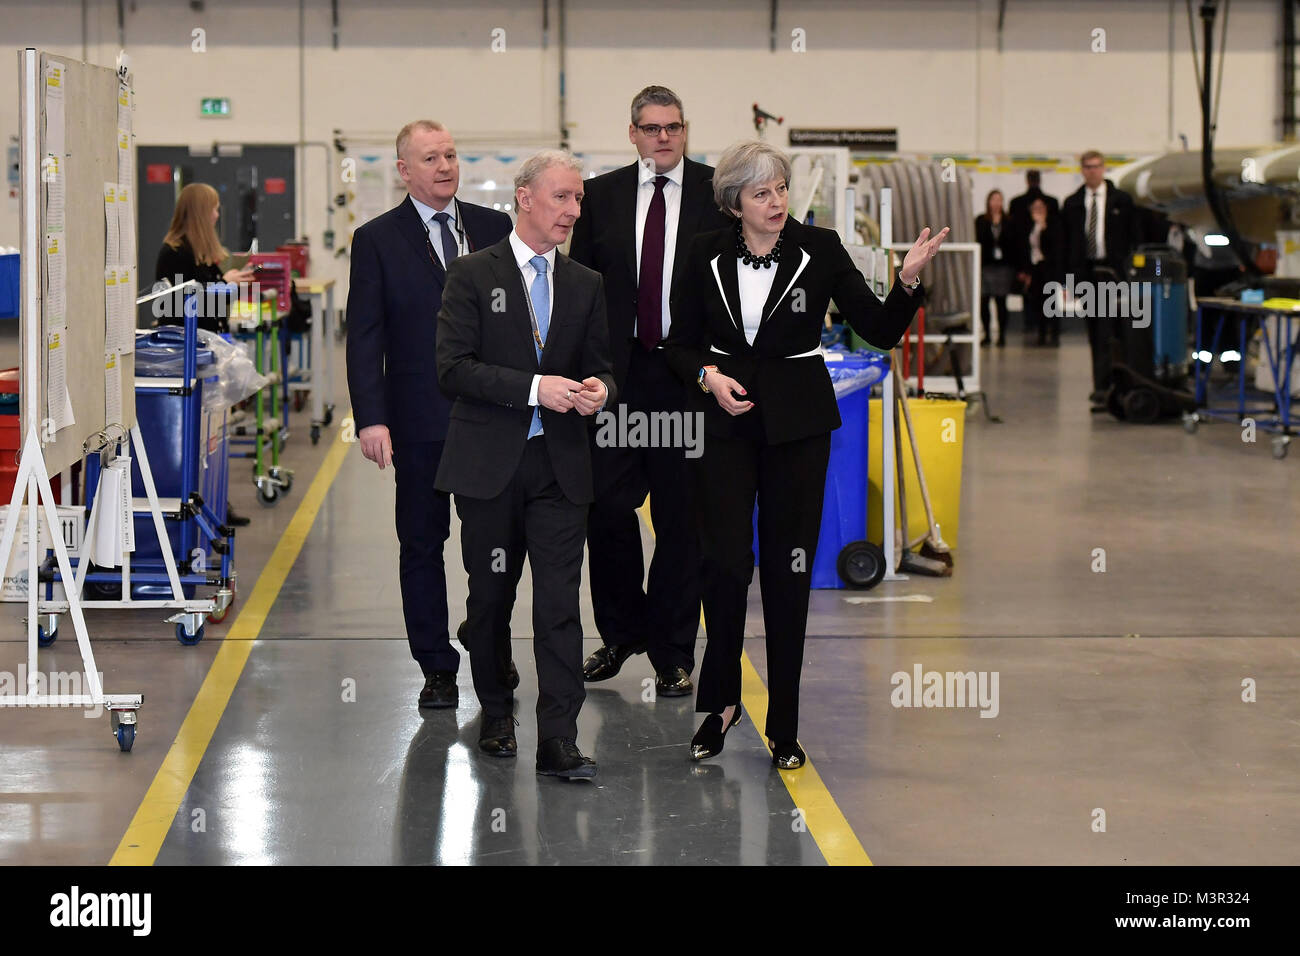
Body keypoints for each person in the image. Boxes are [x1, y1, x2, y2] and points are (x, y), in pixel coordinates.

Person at [663, 141, 946, 770]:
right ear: (734, 202)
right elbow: (677, 345)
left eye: (781, 189)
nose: (776, 202)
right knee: (723, 565)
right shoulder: (702, 252)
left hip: (797, 425)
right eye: (760, 193)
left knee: (789, 571)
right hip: (723, 422)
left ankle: (785, 723)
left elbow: (879, 329)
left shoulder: (819, 248)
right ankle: (721, 704)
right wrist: (708, 377)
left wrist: (906, 281)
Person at [435, 149, 616, 780]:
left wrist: (599, 391)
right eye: (562, 197)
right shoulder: (471, 274)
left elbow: (603, 367)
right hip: (489, 468)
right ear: (525, 198)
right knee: (490, 598)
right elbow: (453, 369)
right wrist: (538, 388)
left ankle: (559, 738)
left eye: (578, 199)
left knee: (559, 605)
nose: (573, 211)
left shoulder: (585, 283)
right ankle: (495, 712)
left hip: (560, 469)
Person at [567, 85, 731, 698]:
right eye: (652, 128)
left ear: (685, 131)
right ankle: (620, 633)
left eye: (674, 127)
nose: (664, 137)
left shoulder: (718, 195)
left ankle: (672, 651)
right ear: (632, 133)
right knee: (607, 509)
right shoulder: (601, 196)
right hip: (618, 379)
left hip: (685, 378)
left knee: (680, 519)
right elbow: (579, 287)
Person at [345, 121, 513, 711]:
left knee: (493, 546)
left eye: (450, 155)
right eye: (430, 158)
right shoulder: (376, 240)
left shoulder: (495, 229)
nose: (444, 166)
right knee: (421, 543)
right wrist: (372, 418)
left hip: (489, 418)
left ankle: (489, 643)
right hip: (417, 421)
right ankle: (436, 665)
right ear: (404, 171)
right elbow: (365, 336)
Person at [1063, 150, 1137, 406]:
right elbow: (1067, 244)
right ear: (1082, 170)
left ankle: (1123, 382)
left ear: (1103, 168)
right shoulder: (1072, 204)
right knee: (1096, 331)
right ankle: (1102, 386)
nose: (1092, 171)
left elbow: (1133, 238)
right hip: (1088, 274)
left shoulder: (1122, 201)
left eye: (1096, 166)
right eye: (1087, 167)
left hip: (1116, 273)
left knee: (1120, 329)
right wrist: (1069, 280)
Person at [154, 182, 255, 333]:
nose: (217, 215)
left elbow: (216, 298)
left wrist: (236, 282)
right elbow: (182, 303)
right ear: (200, 214)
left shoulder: (199, 254)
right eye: (214, 209)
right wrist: (225, 283)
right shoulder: (174, 254)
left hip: (206, 338)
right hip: (187, 341)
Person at [1016, 196, 1065, 346]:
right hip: (1035, 268)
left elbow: (1055, 246)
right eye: (1035, 208)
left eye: (1041, 207)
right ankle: (1042, 333)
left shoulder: (1052, 224)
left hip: (1049, 268)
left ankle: (1054, 333)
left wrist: (1043, 227)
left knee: (1052, 301)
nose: (1038, 210)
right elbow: (1025, 248)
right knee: (1038, 301)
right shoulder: (1028, 226)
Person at [975, 189, 1015, 347]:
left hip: (1003, 266)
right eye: (993, 199)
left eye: (999, 200)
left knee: (1001, 301)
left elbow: (1014, 243)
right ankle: (987, 334)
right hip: (986, 265)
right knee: (984, 300)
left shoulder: (1008, 220)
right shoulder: (981, 220)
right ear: (988, 202)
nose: (996, 203)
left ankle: (1002, 335)